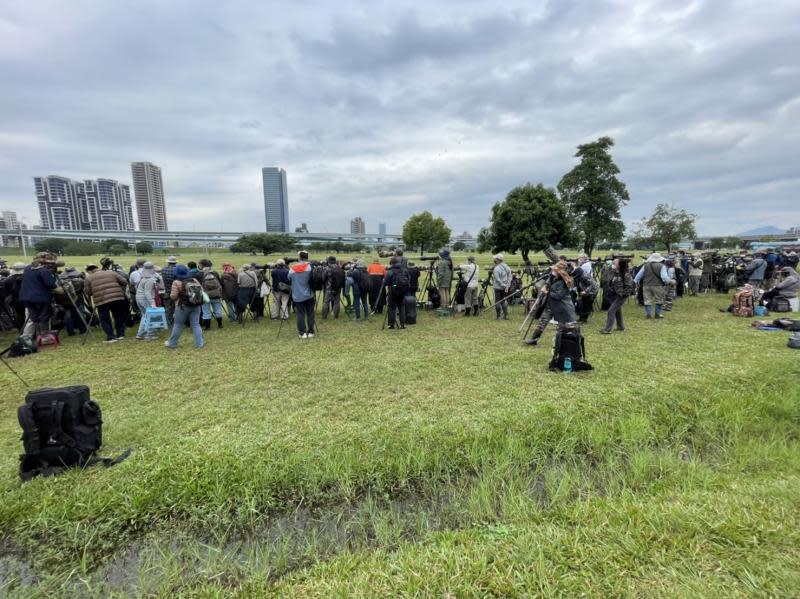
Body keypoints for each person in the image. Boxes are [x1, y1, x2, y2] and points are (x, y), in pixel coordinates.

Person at [525, 261, 577, 346]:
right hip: (550, 305)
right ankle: (534, 339)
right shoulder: (552, 278)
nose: (553, 271)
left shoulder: (564, 282)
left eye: (555, 270)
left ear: (559, 272)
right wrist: (545, 285)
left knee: (563, 327)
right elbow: (546, 284)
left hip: (562, 307)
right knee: (542, 321)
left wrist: (546, 292)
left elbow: (559, 296)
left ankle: (565, 343)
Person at [85, 263, 129, 342]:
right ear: (97, 268)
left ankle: (111, 336)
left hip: (101, 300)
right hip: (117, 297)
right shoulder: (111, 272)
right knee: (118, 316)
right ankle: (120, 334)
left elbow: (88, 292)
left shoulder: (89, 278)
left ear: (89, 271)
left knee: (105, 319)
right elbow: (124, 281)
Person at [165, 264, 204, 349]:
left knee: (178, 325)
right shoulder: (194, 280)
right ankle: (200, 344)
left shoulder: (176, 282)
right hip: (195, 305)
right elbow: (201, 290)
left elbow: (173, 296)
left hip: (182, 306)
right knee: (196, 325)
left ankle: (172, 344)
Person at [19, 252, 58, 337]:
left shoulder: (27, 268)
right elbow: (50, 284)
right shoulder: (43, 270)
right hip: (41, 297)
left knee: (34, 317)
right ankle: (44, 336)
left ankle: (36, 336)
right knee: (44, 316)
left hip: (26, 297)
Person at [599, 258, 633, 334]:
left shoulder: (626, 274)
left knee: (611, 311)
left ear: (620, 265)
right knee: (617, 310)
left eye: (615, 262)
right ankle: (620, 326)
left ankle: (607, 330)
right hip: (615, 294)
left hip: (621, 296)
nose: (614, 263)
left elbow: (629, 287)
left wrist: (623, 294)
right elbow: (607, 277)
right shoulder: (616, 272)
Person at [633, 252, 671, 319]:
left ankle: (648, 315)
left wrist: (635, 282)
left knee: (647, 300)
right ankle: (657, 314)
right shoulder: (662, 266)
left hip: (646, 285)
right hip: (658, 285)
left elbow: (638, 276)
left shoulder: (645, 265)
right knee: (659, 300)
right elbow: (664, 277)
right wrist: (670, 281)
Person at [288, 251, 316, 338]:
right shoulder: (310, 267)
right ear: (307, 257)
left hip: (297, 295)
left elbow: (288, 278)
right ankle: (311, 332)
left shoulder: (292, 268)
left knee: (300, 314)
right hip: (309, 294)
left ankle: (302, 333)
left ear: (299, 257)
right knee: (310, 313)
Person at [58, 265, 87, 336]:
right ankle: (82, 330)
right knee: (80, 314)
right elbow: (84, 288)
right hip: (77, 300)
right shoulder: (80, 280)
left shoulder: (60, 280)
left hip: (64, 301)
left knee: (68, 317)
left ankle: (70, 331)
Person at [134, 262, 159, 340]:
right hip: (145, 299)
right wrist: (152, 303)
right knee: (150, 316)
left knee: (144, 316)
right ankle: (150, 335)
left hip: (138, 298)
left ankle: (140, 334)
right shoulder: (150, 280)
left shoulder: (143, 278)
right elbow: (147, 292)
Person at [198, 258, 224, 329]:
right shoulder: (214, 273)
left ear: (202, 265)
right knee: (218, 310)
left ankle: (207, 326)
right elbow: (220, 283)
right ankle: (220, 324)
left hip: (205, 295)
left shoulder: (200, 273)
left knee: (206, 311)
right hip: (216, 295)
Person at [383, 256, 408, 329]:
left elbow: (386, 283)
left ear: (391, 263)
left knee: (392, 308)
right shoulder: (404, 270)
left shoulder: (390, 271)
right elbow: (408, 279)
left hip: (392, 292)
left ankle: (391, 325)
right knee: (402, 307)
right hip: (402, 291)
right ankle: (402, 324)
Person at [3, 262, 26, 331]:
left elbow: (5, 293)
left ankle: (21, 329)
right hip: (27, 300)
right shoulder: (27, 278)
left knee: (19, 315)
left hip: (15, 302)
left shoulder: (7, 280)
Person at [491, 254, 512, 320]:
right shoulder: (507, 267)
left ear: (498, 260)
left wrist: (504, 285)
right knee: (503, 300)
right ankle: (506, 316)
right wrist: (507, 286)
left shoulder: (496, 268)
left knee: (497, 301)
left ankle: (498, 316)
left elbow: (498, 279)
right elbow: (510, 277)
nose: (494, 260)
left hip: (498, 287)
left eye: (495, 259)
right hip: (505, 287)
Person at [161, 256, 178, 322]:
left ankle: (167, 321)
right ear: (175, 263)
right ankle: (176, 320)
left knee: (167, 307)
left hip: (167, 291)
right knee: (177, 308)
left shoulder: (164, 269)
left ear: (168, 262)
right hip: (176, 292)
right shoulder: (177, 270)